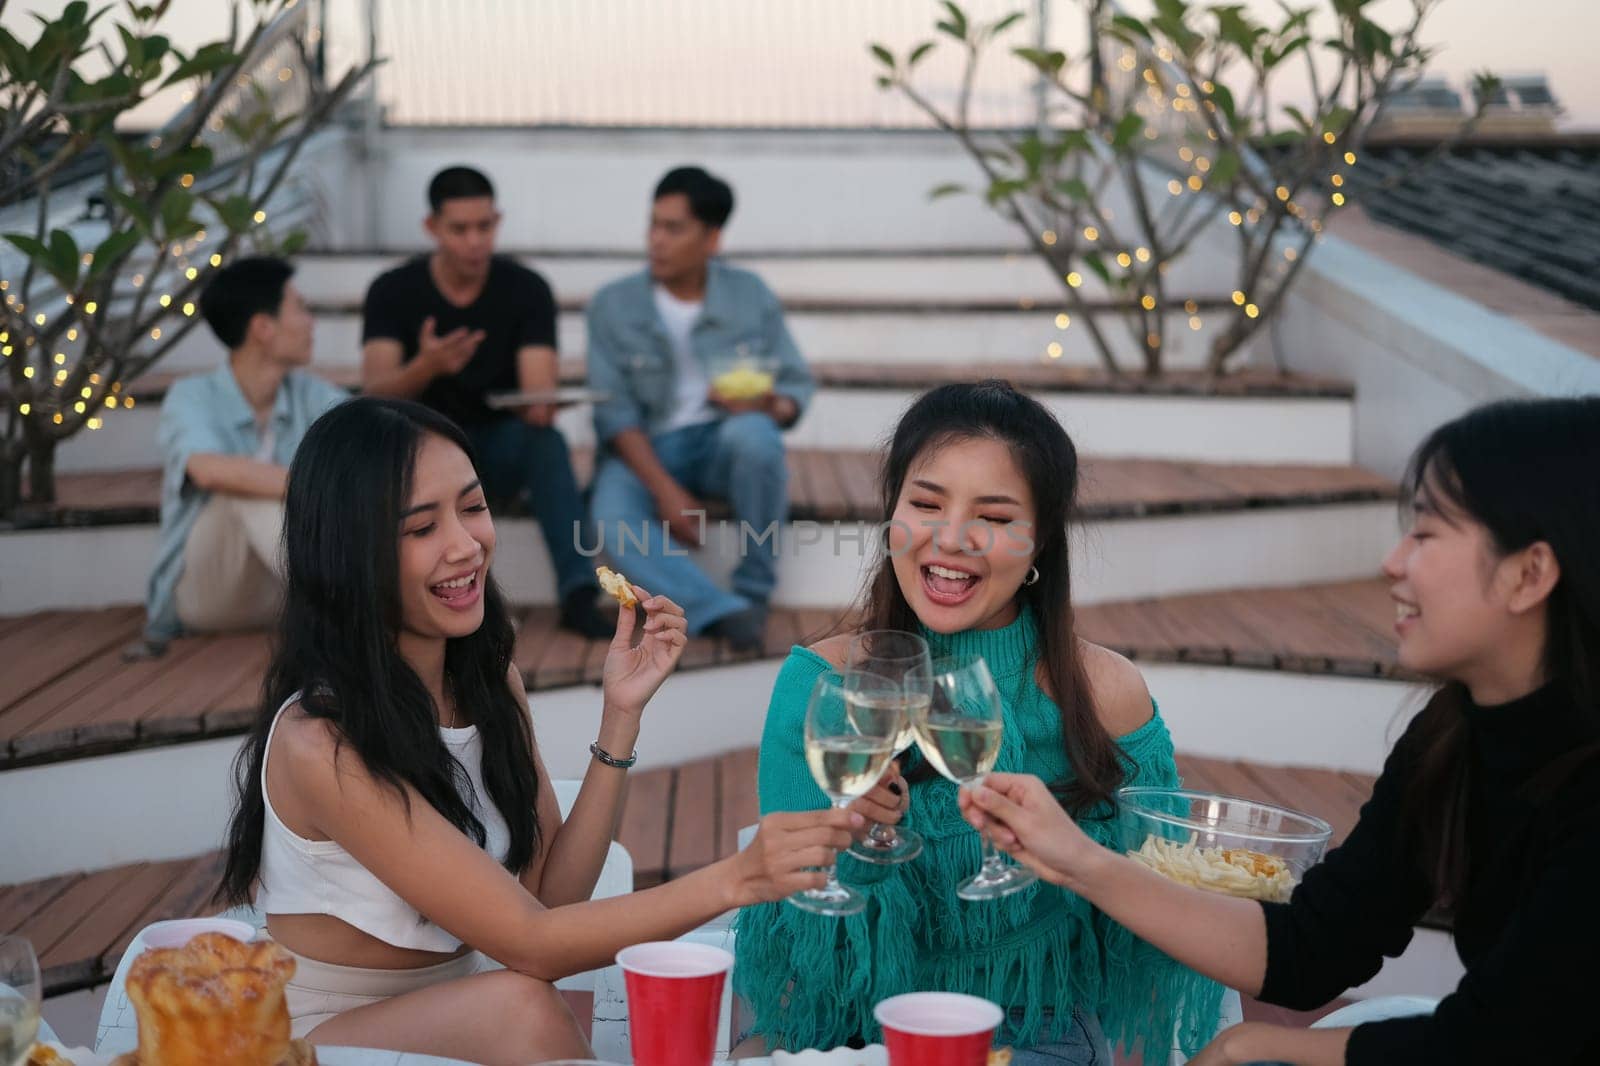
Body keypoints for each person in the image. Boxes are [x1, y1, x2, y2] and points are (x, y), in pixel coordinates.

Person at [216, 397, 860, 1065]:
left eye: (472, 507)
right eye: (420, 528)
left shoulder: (488, 681)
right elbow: (531, 943)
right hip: (316, 1040)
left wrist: (621, 715)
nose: (466, 545)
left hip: (465, 1012)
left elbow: (551, 897)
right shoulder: (322, 742)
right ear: (350, 554)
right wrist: (742, 878)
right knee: (522, 1005)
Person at [960, 396, 1600, 1066]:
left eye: (1428, 533)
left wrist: (1257, 1043)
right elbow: (1312, 947)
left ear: (1530, 573)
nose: (1393, 563)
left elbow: (1496, 1041)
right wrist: (1079, 862)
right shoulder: (1454, 735)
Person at [731, 381, 1224, 1063]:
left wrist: (1084, 860)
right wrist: (859, 849)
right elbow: (800, 949)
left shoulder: (1105, 694)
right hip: (850, 1030)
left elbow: (1157, 912)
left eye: (992, 517)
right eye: (926, 503)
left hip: (1033, 1029)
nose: (952, 538)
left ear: (1040, 541)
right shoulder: (826, 685)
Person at [360, 165, 610, 638]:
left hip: (495, 446)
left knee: (546, 441)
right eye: (459, 229)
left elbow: (538, 387)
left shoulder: (526, 288)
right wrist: (428, 366)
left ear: (497, 221)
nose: (475, 241)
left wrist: (538, 405)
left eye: (484, 226)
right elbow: (372, 395)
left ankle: (578, 592)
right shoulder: (393, 291)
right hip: (418, 449)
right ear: (431, 228)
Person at [586, 165, 814, 653]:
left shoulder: (748, 293)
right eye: (653, 224)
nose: (656, 240)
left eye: (673, 228)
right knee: (610, 512)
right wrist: (666, 491)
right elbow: (614, 415)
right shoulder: (613, 305)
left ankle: (754, 590)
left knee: (756, 435)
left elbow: (795, 384)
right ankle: (719, 610)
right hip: (645, 449)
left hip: (720, 442)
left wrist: (766, 404)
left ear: (712, 238)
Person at [137, 256, 348, 655]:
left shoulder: (316, 396)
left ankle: (354, 607)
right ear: (263, 328)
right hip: (208, 597)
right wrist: (311, 484)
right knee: (239, 489)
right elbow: (206, 470)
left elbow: (361, 465)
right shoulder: (192, 396)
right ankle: (360, 611)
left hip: (288, 598)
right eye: (300, 308)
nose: (311, 322)